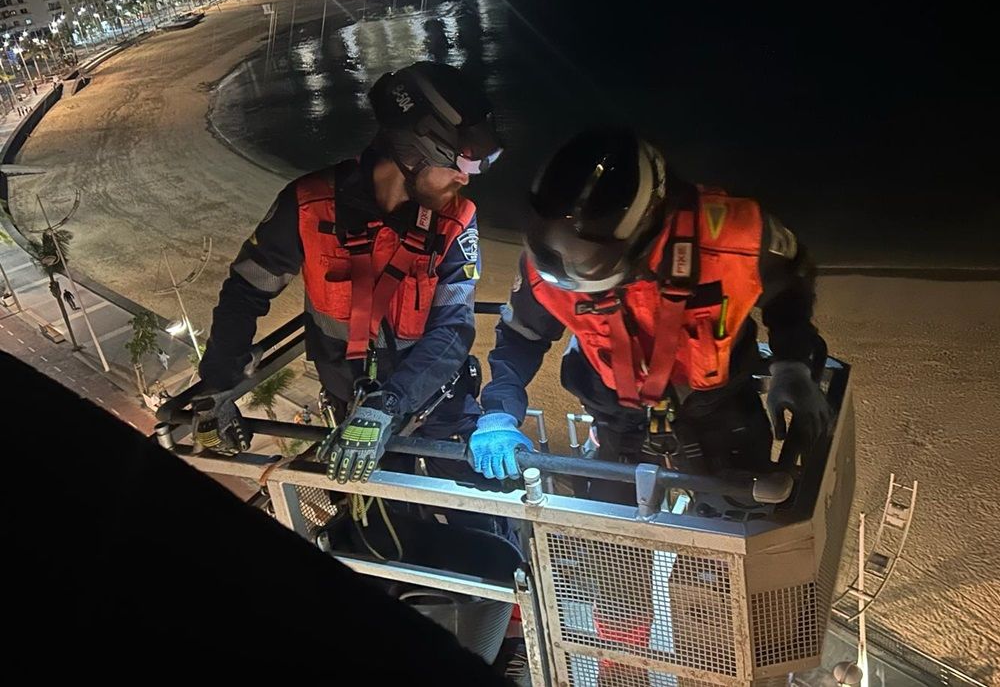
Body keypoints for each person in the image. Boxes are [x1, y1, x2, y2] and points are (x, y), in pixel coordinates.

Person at [194, 62, 502, 500]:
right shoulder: (307, 205)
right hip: (349, 411)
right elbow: (246, 291)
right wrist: (218, 385)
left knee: (477, 507)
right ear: (411, 155)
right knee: (376, 523)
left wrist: (389, 402)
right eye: (457, 164)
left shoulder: (457, 221)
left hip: (435, 403)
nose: (465, 177)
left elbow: (453, 329)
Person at [470, 128, 830, 498]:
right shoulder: (546, 266)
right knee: (615, 536)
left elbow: (791, 285)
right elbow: (521, 336)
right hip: (616, 419)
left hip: (722, 411)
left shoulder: (738, 238)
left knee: (740, 519)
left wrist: (792, 363)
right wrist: (499, 412)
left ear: (644, 234)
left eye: (590, 266)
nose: (571, 270)